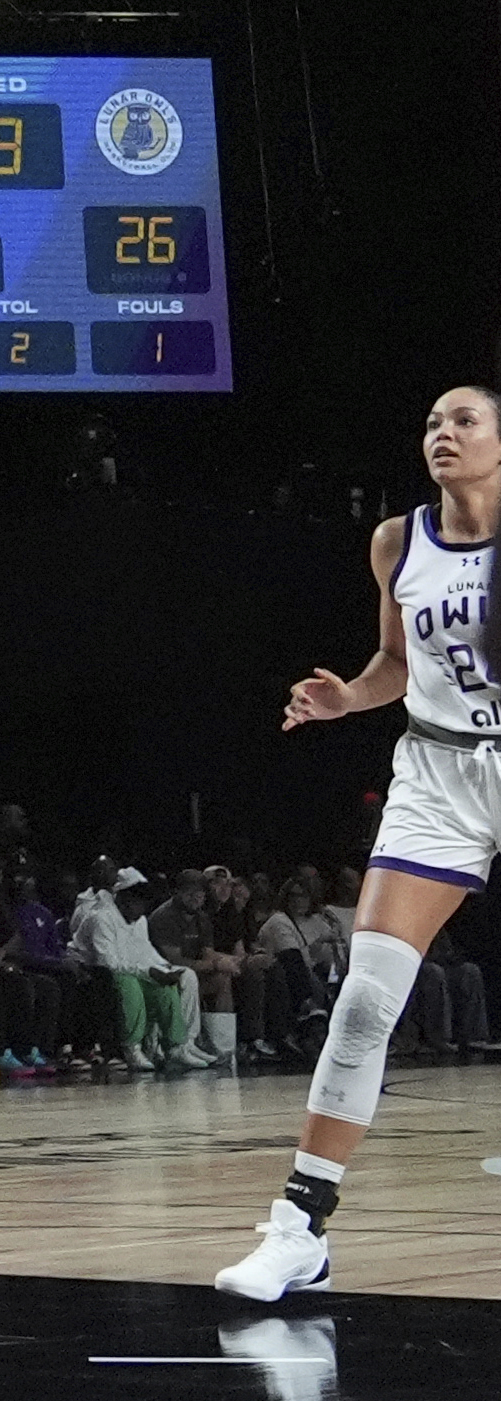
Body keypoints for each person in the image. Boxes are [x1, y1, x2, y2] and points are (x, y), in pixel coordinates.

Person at [223, 386, 501, 1301]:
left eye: (463, 420)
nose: (442, 433)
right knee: (364, 1000)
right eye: (430, 422)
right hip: (436, 774)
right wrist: (346, 695)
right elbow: (394, 663)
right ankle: (298, 1231)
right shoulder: (396, 540)